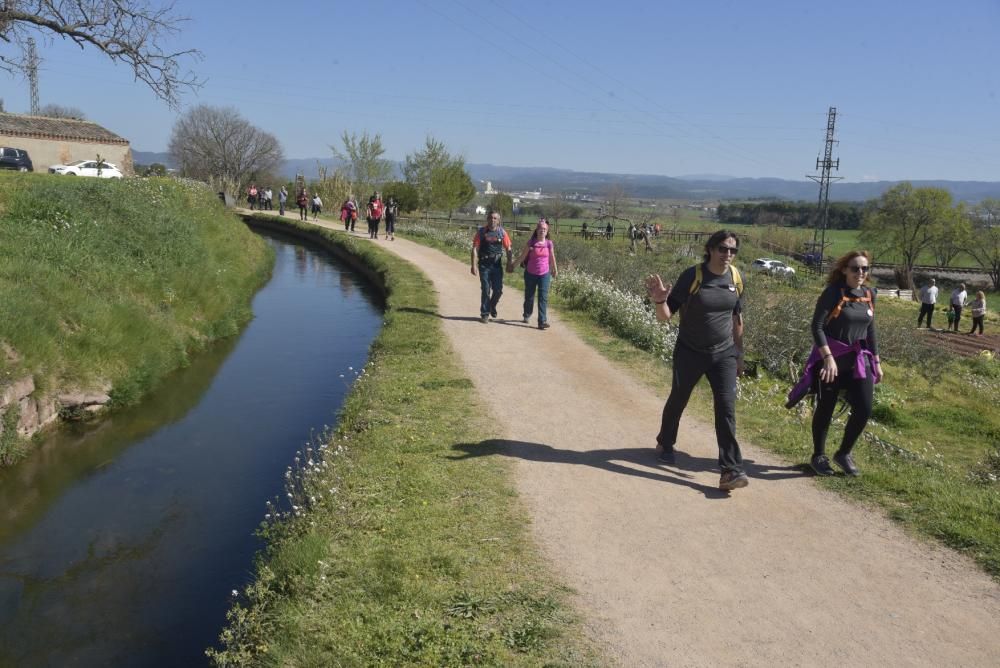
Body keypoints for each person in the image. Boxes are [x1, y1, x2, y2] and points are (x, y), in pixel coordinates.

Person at [645, 230, 748, 491]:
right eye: (723, 249)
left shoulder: (736, 277)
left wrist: (739, 353)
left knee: (726, 407)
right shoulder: (693, 276)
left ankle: (730, 470)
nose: (728, 255)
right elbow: (666, 316)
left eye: (733, 250)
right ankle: (666, 441)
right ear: (710, 249)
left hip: (724, 353)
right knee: (679, 398)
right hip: (690, 351)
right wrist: (659, 301)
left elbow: (737, 319)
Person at [789, 251, 882, 477]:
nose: (860, 273)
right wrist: (828, 358)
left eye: (864, 269)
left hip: (859, 360)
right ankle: (818, 455)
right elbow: (817, 326)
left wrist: (877, 360)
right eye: (855, 268)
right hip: (831, 359)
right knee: (826, 407)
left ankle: (844, 453)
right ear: (844, 270)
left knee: (865, 408)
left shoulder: (869, 294)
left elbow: (870, 329)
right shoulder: (833, 293)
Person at [510, 218, 558, 330]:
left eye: (544, 229)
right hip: (530, 273)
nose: (542, 231)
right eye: (540, 229)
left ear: (547, 231)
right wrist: (513, 266)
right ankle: (527, 314)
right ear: (537, 230)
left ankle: (542, 321)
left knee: (543, 297)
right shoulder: (531, 242)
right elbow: (522, 256)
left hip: (545, 274)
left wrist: (555, 269)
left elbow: (552, 257)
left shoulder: (549, 243)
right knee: (529, 297)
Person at [471, 211, 513, 323]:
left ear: (498, 220)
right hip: (484, 265)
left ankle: (492, 305)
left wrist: (510, 263)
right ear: (487, 219)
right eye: (490, 217)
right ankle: (484, 314)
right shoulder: (481, 232)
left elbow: (508, 248)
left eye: (495, 218)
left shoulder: (502, 232)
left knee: (498, 290)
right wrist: (473, 265)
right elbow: (475, 248)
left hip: (497, 266)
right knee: (485, 289)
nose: (492, 220)